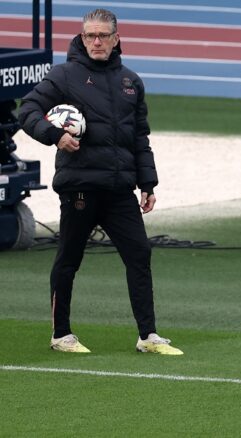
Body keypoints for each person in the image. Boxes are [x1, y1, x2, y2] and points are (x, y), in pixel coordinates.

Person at [19, 9, 182, 355]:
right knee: (69, 259)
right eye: (89, 35)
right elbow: (27, 110)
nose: (96, 41)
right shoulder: (63, 76)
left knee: (139, 253)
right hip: (80, 186)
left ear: (116, 39)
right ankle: (61, 334)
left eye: (103, 35)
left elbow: (140, 138)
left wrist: (147, 183)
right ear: (81, 37)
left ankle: (147, 336)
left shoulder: (130, 82)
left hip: (120, 189)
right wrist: (54, 136)